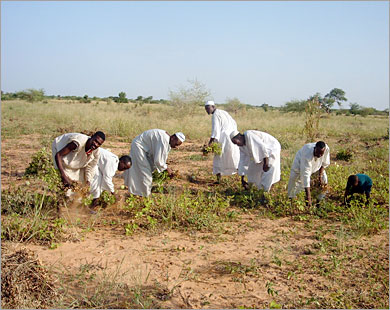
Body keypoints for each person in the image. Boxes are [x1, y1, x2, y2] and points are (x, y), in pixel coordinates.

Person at [124, 129, 185, 197]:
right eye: (176, 144)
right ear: (173, 138)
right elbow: (158, 161)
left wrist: (163, 167)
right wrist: (167, 168)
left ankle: (138, 192)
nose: (176, 147)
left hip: (144, 149)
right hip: (139, 147)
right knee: (146, 174)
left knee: (142, 171)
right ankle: (145, 195)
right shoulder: (164, 140)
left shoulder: (167, 140)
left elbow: (160, 158)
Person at [205, 100, 240, 184]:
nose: (207, 110)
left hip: (223, 139)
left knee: (218, 159)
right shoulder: (223, 112)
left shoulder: (215, 115)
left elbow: (215, 132)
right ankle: (240, 178)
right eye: (206, 109)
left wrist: (209, 144)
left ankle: (218, 180)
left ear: (213, 107)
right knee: (234, 157)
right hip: (232, 137)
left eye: (208, 108)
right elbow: (234, 123)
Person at [287, 141, 330, 207]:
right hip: (299, 163)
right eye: (317, 153)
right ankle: (291, 199)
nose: (319, 155)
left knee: (324, 179)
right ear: (314, 148)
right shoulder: (307, 152)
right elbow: (305, 175)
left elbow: (324, 164)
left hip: (317, 166)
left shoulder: (326, 149)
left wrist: (320, 176)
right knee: (294, 179)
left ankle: (319, 201)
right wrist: (308, 197)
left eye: (321, 154)